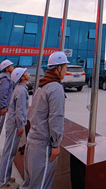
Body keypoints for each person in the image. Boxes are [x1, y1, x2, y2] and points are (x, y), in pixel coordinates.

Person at [22, 51, 69, 189]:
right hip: (44, 146)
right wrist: (55, 144)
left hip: (33, 141)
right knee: (41, 185)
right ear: (59, 68)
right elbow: (56, 117)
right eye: (65, 67)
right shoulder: (55, 88)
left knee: (30, 184)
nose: (66, 71)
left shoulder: (42, 85)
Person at [0, 67, 30, 189]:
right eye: (25, 72)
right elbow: (20, 110)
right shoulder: (21, 91)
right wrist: (21, 126)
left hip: (13, 124)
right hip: (15, 126)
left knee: (9, 152)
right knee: (9, 153)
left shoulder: (20, 89)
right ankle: (3, 183)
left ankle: (5, 177)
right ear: (22, 77)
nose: (28, 73)